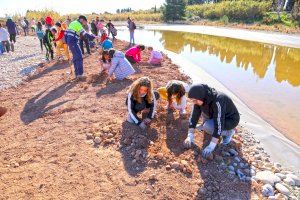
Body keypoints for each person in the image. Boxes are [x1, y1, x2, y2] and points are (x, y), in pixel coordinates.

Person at [184, 84, 240, 158]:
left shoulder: (218, 100)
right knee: (202, 112)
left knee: (208, 127)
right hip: (214, 115)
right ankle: (206, 124)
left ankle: (229, 132)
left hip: (229, 119)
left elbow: (219, 123)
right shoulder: (201, 98)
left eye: (195, 100)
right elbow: (194, 115)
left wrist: (211, 145)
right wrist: (190, 135)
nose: (194, 102)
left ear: (201, 97)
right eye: (192, 100)